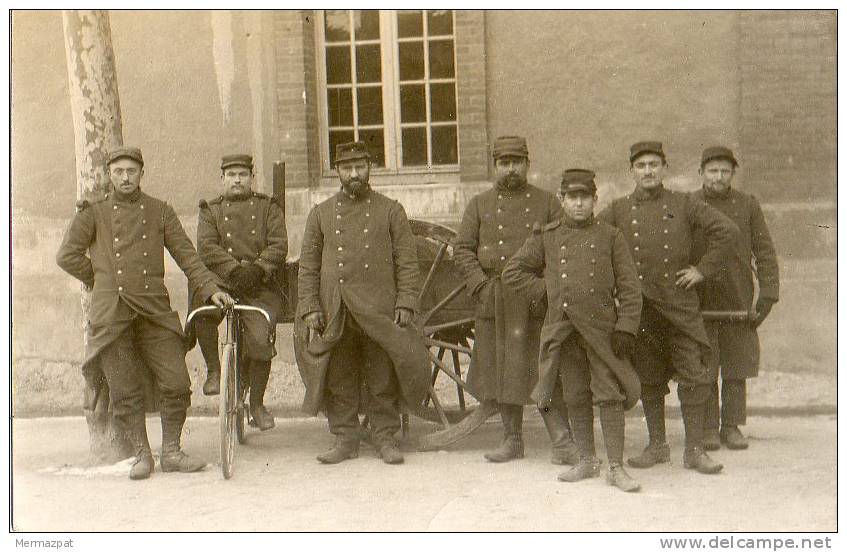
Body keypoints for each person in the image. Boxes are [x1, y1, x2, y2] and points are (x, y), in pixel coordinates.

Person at [56, 146, 234, 480]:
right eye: (119, 171)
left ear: (142, 173)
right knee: (124, 391)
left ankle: (172, 451)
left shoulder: (160, 211)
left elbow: (188, 257)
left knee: (177, 381)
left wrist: (211, 289)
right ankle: (142, 454)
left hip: (154, 310)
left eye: (132, 171)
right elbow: (66, 255)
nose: (125, 177)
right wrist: (99, 277)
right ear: (110, 174)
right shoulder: (93, 213)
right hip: (112, 313)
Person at [597, 141, 736, 475]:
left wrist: (701, 270)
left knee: (694, 374)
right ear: (632, 170)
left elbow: (726, 231)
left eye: (654, 165)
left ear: (664, 169)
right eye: (641, 165)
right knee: (649, 379)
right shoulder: (617, 210)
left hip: (680, 307)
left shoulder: (684, 203)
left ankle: (694, 450)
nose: (648, 171)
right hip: (642, 310)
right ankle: (657, 445)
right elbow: (593, 240)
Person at [503, 169, 643, 492]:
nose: (579, 204)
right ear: (562, 200)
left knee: (609, 394)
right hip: (564, 332)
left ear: (595, 200)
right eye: (572, 198)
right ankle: (587, 460)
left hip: (602, 332)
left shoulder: (611, 236)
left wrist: (626, 328)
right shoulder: (548, 236)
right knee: (575, 394)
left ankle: (616, 467)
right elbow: (513, 271)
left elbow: (630, 288)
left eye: (585, 198)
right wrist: (548, 290)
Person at [297, 141, 430, 465]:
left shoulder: (390, 209)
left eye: (359, 167)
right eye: (346, 168)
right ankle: (345, 438)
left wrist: (406, 301)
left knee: (381, 373)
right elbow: (308, 265)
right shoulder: (321, 213)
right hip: (337, 307)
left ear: (370, 167)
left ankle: (384, 437)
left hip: (379, 308)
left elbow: (406, 262)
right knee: (340, 374)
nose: (354, 174)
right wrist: (311, 306)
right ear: (337, 172)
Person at [453, 135, 576, 464]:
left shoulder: (548, 202)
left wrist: (544, 289)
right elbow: (463, 248)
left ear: (527, 165)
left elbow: (561, 248)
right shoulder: (478, 204)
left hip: (535, 298)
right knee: (502, 370)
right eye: (504, 163)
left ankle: (561, 440)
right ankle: (512, 440)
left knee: (543, 367)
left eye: (517, 162)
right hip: (495, 298)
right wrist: (480, 285)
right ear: (496, 166)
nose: (511, 169)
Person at [189, 154, 288, 431]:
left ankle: (256, 403)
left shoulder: (268, 207)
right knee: (204, 311)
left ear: (251, 178)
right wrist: (234, 270)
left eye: (242, 174)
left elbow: (279, 245)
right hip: (223, 281)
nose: (237, 180)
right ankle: (214, 370)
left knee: (260, 338)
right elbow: (206, 247)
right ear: (222, 179)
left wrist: (256, 270)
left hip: (259, 283)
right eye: (231, 174)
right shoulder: (211, 210)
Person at [691, 146, 779, 451]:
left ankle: (730, 426)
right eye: (713, 171)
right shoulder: (689, 204)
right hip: (700, 300)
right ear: (701, 172)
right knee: (705, 367)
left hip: (738, 298)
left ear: (732, 174)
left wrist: (767, 294)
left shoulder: (747, 205)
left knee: (735, 367)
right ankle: (707, 428)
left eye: (725, 171)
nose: (718, 177)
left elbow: (764, 251)